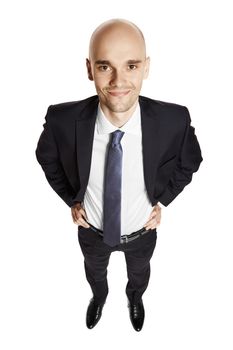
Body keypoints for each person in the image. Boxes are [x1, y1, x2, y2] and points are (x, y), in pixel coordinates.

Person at [35, 18, 203, 332]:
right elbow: (47, 158)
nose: (118, 80)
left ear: (146, 67)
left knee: (139, 273)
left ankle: (134, 298)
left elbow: (190, 161)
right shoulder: (61, 120)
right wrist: (71, 199)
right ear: (89, 69)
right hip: (93, 231)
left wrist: (163, 200)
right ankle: (98, 297)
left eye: (131, 66)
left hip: (142, 232)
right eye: (104, 67)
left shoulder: (174, 120)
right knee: (95, 273)